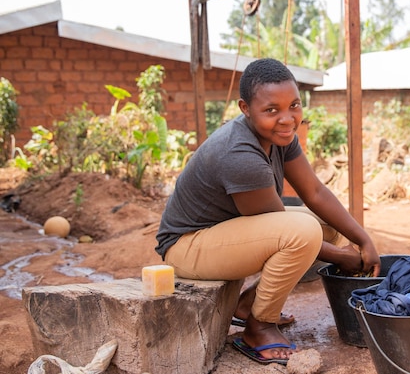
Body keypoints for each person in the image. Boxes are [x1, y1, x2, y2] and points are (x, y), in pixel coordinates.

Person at [155, 57, 381, 365]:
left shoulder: (280, 136)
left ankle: (248, 303)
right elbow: (285, 230)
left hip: (224, 232)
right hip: (187, 247)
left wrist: (363, 239)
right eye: (271, 110)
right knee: (303, 231)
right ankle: (259, 326)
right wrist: (346, 258)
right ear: (245, 109)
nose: (287, 118)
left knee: (328, 224)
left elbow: (314, 192)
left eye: (294, 105)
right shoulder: (239, 153)